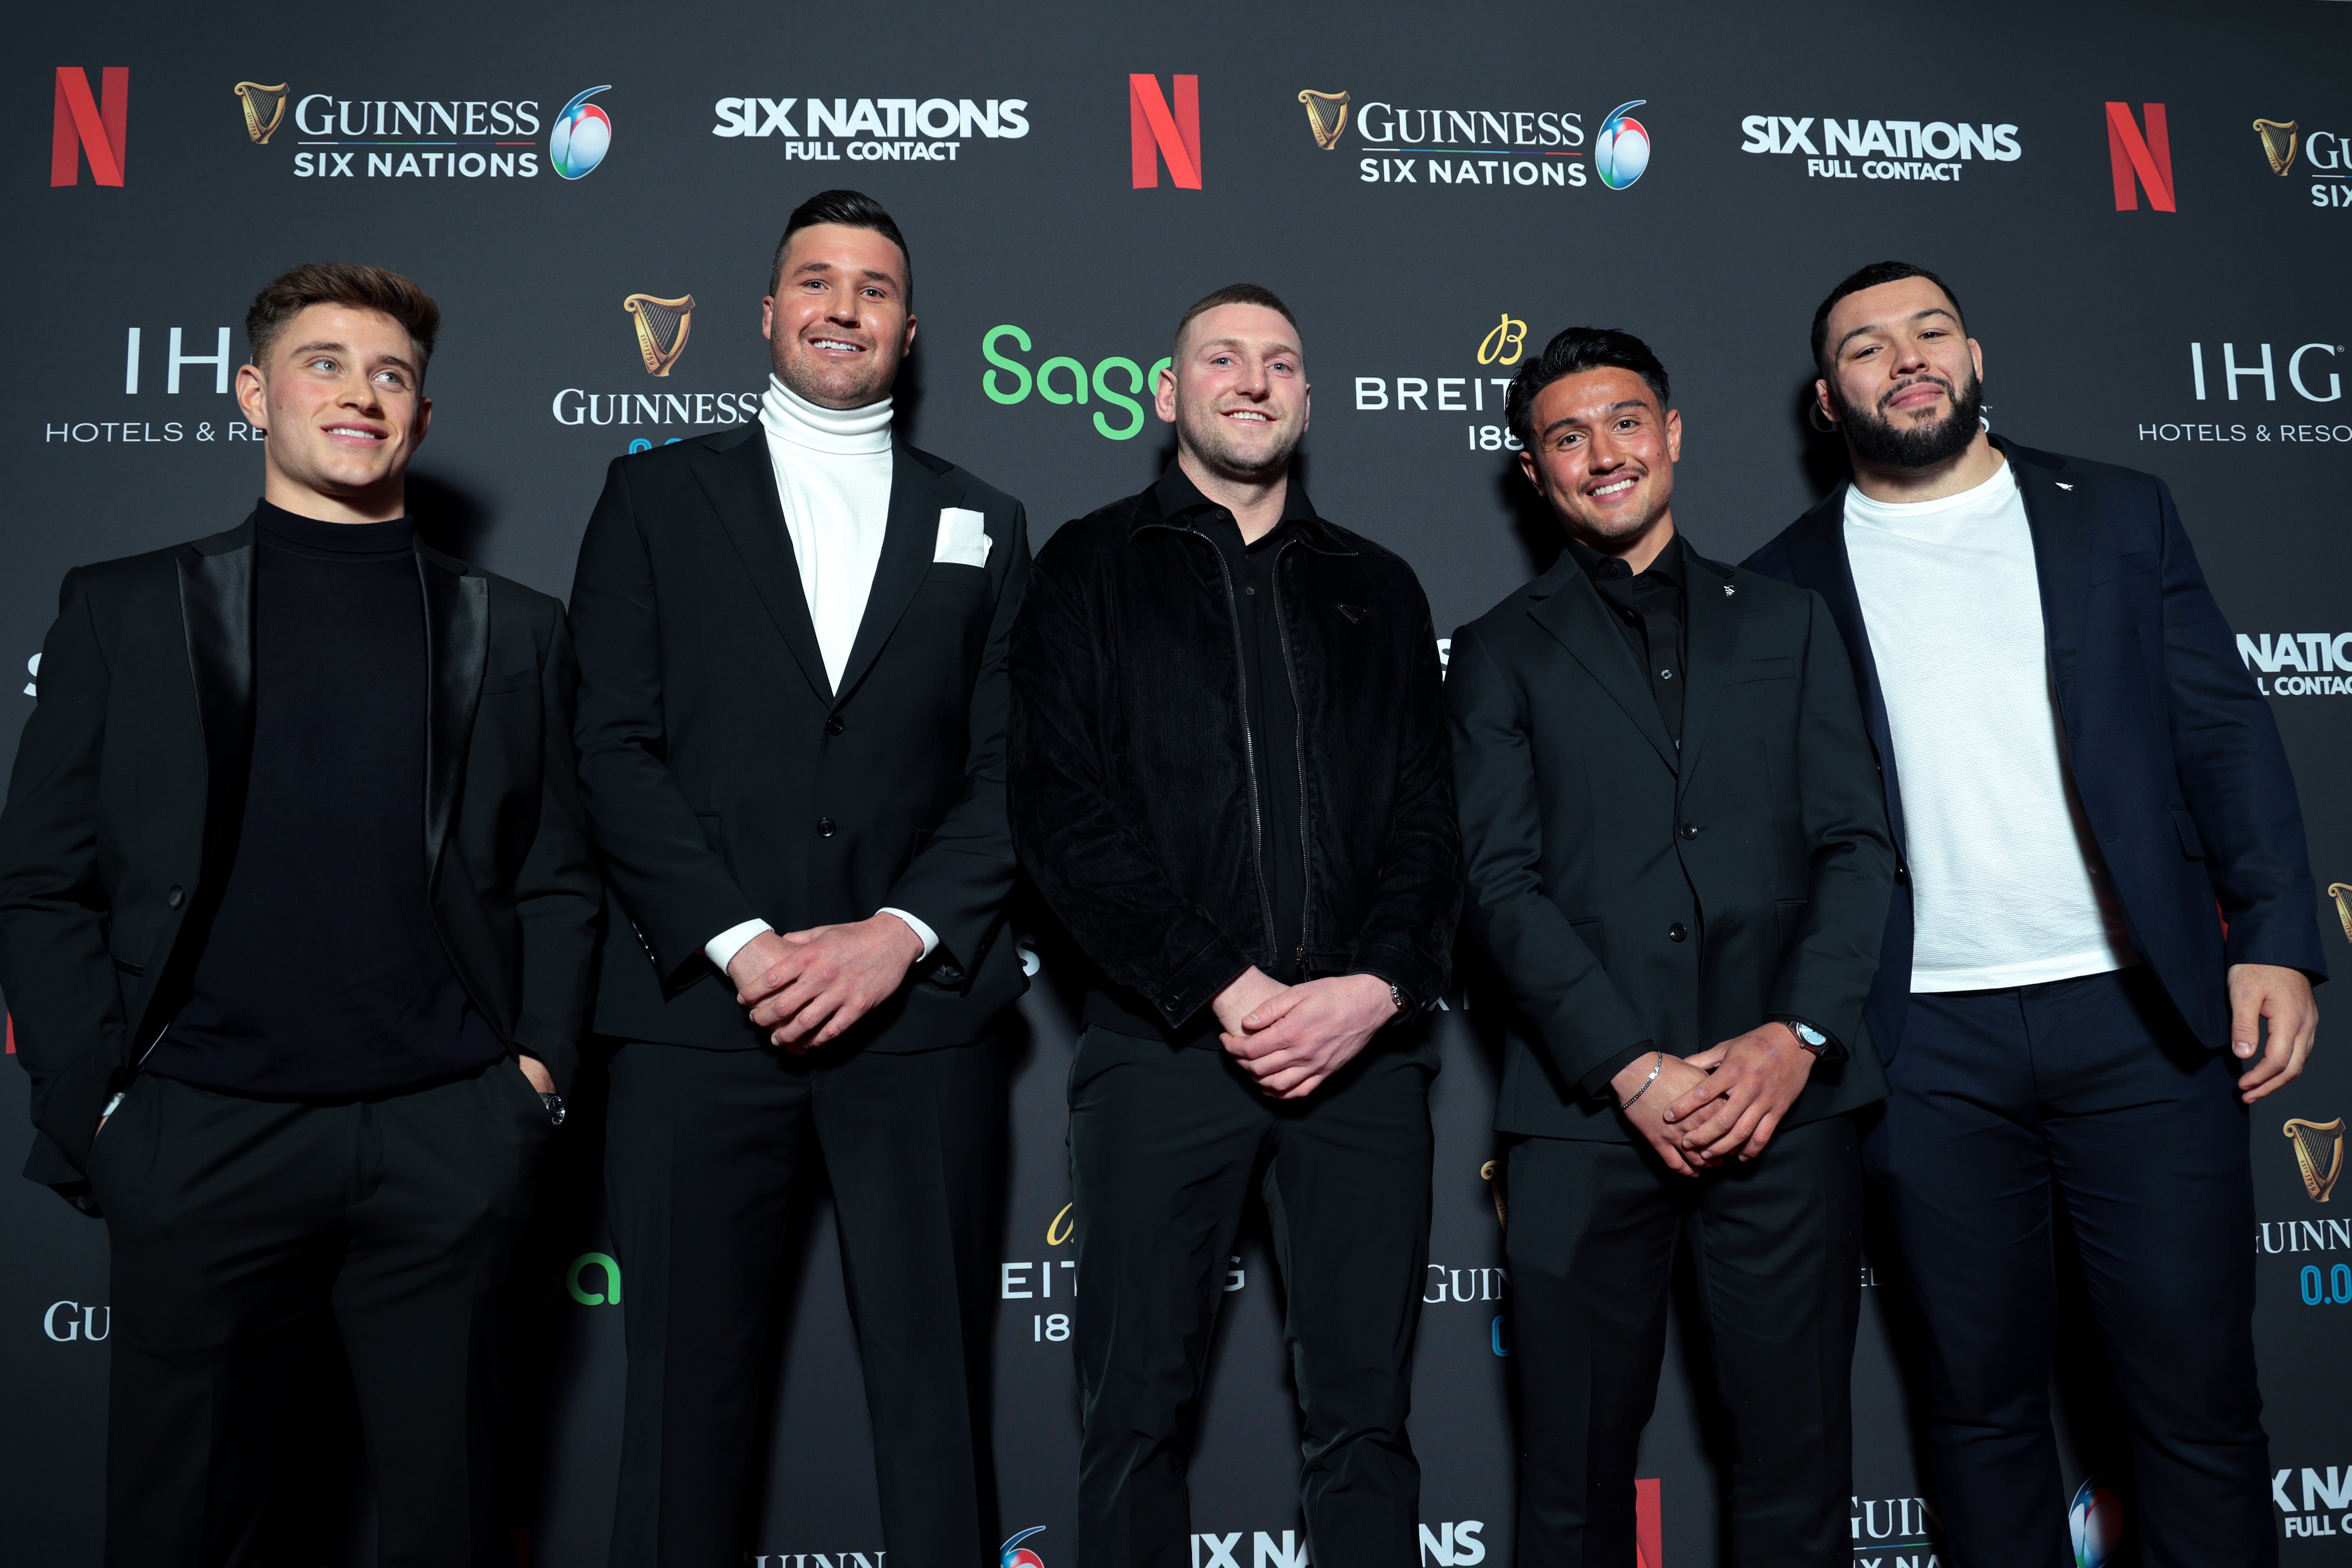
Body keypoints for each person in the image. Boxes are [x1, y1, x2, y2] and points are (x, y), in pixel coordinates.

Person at [0, 262, 599, 1566]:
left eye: (392, 374)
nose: (362, 393)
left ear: (422, 421)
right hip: (198, 1132)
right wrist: (96, 1106)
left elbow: (559, 875)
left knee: (445, 1525)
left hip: (446, 1134)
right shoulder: (124, 609)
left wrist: (532, 1084)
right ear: (251, 394)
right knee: (184, 1531)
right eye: (325, 363)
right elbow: (41, 878)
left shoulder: (518, 631)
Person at [1746, 260, 2326, 1568]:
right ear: (1827, 400)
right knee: (1978, 1410)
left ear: (1976, 357)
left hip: (2142, 1017)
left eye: (1931, 332)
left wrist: (2280, 935)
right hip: (1923, 1047)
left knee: (2196, 1405)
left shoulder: (2121, 514)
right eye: (1867, 347)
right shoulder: (1781, 587)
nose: (1906, 358)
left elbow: (2224, 733)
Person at [570, 189, 1029, 1568]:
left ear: (911, 327)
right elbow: (609, 744)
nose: (844, 306)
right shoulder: (655, 493)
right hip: (699, 1022)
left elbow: (1014, 773)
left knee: (939, 1413)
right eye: (815, 282)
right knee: (679, 1419)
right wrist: (738, 939)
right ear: (767, 313)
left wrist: (897, 935)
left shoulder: (988, 519)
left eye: (875, 287)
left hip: (919, 1026)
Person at [1008, 283, 1460, 1568]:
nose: (1252, 381)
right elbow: (1060, 812)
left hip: (1365, 1061)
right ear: (1169, 394)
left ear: (1310, 402)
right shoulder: (1089, 568)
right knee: (1134, 1421)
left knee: (1366, 1425)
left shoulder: (1379, 582)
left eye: (1279, 363)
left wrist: (1372, 989)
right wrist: (1225, 986)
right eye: (1222, 358)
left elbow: (1434, 825)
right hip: (1163, 1053)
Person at [1446, 327, 1894, 1565]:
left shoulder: (1793, 622)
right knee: (1569, 1488)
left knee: (1798, 1475)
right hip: (1586, 1123)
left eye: (1627, 422)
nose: (1605, 455)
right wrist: (1633, 1067)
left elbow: (1858, 849)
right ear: (1533, 474)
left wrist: (1797, 1038)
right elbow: (1497, 885)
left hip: (1787, 1117)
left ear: (1674, 433)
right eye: (1568, 437)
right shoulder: (1493, 651)